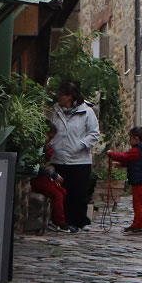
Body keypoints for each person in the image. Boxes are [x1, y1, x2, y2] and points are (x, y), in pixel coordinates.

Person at [48, 80, 100, 230]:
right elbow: (50, 131)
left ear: (70, 96)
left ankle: (79, 221)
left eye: (61, 94)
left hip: (79, 160)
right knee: (62, 191)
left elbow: (94, 134)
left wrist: (80, 145)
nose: (58, 97)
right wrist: (52, 145)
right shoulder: (55, 111)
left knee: (78, 192)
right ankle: (64, 222)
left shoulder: (86, 112)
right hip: (59, 158)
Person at [107, 126, 142, 235]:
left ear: (136, 139)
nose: (129, 141)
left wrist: (111, 153)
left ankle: (137, 226)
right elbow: (133, 161)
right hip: (141, 180)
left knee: (138, 205)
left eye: (130, 138)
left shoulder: (137, 150)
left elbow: (124, 156)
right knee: (140, 204)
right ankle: (138, 225)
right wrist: (121, 165)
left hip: (138, 181)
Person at [30, 143, 73, 232]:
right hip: (36, 178)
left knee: (62, 191)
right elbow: (37, 166)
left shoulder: (47, 146)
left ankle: (53, 218)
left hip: (43, 176)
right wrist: (53, 175)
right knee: (57, 195)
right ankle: (60, 222)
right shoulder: (38, 146)